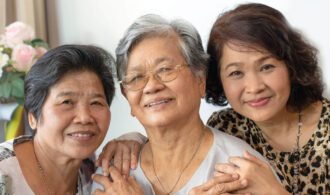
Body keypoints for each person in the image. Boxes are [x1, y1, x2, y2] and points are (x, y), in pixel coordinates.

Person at [97, 3, 329, 195]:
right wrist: (132, 138)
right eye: (236, 72)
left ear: (201, 79)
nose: (254, 87)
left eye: (166, 69)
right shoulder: (228, 124)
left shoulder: (236, 163)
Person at [0, 44, 116, 194]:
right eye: (67, 102)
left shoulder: (95, 171)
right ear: (32, 117)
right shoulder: (4, 173)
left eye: (96, 103)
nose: (85, 117)